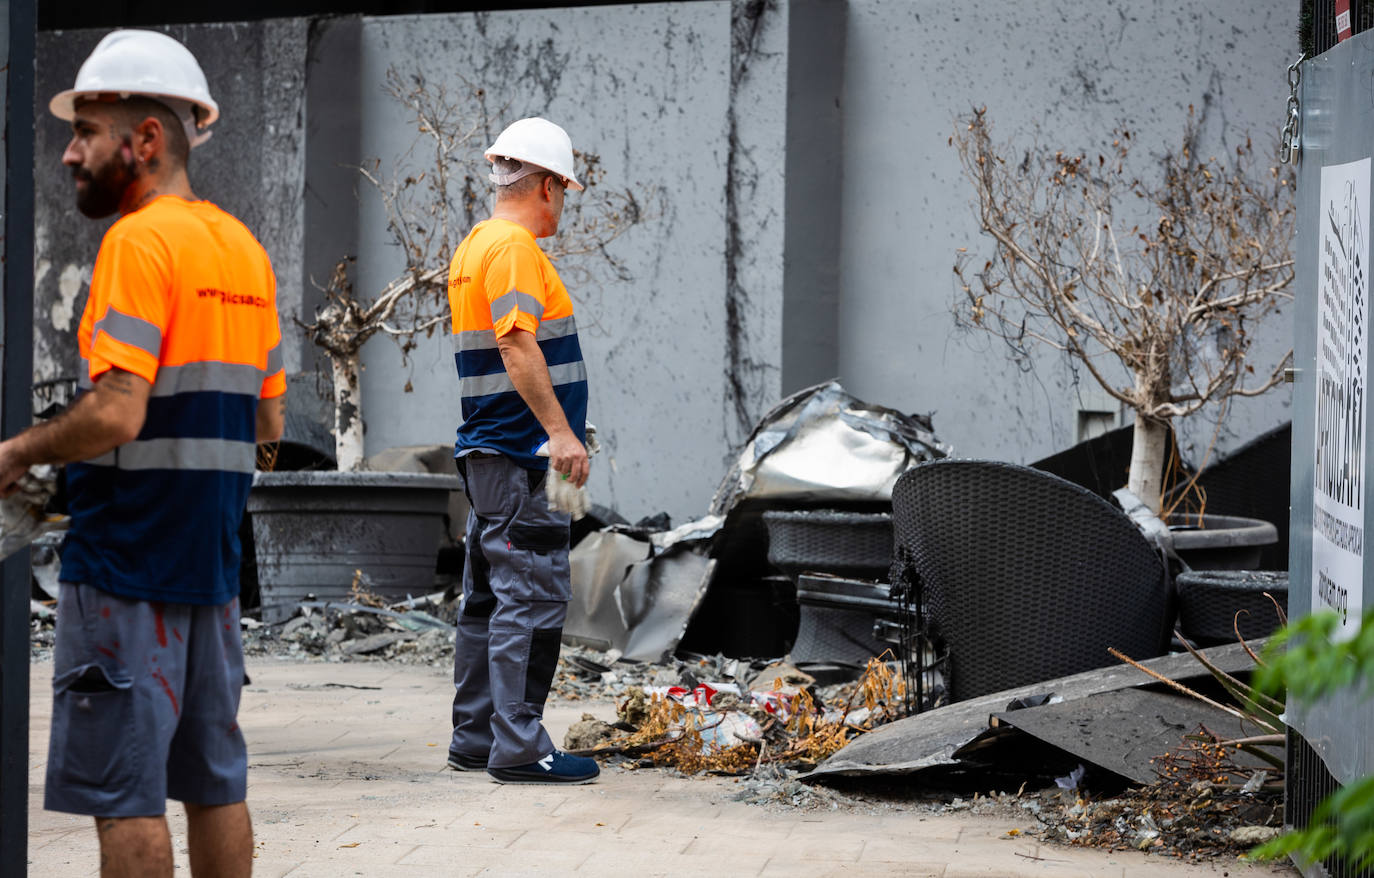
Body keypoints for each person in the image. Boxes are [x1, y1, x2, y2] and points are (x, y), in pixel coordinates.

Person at [0, 30, 285, 876]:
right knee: (215, 785)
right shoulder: (244, 251)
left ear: (147, 140)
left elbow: (118, 413)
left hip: (126, 569)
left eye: (85, 132)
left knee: (123, 792)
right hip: (211, 571)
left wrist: (21, 449)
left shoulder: (137, 242)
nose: (69, 154)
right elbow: (267, 428)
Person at [445, 117, 600, 784]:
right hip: (520, 457)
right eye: (563, 188)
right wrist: (560, 433)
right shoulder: (511, 249)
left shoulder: (476, 245)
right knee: (532, 598)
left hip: (492, 455)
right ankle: (519, 744)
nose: (561, 203)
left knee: (487, 600)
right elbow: (515, 343)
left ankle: (477, 737)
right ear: (545, 185)